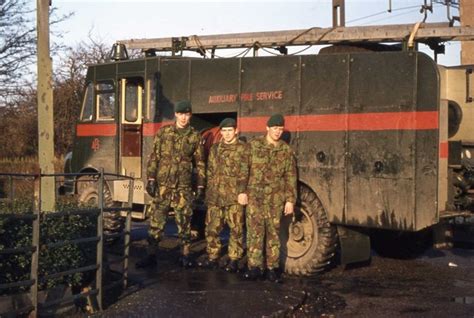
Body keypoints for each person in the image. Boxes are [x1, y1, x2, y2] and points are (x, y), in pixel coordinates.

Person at [136, 100, 206, 268]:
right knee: (156, 222)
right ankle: (151, 255)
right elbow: (155, 157)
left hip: (183, 186)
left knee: (184, 222)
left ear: (190, 116)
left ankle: (185, 255)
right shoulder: (164, 132)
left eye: (187, 114)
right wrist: (151, 179)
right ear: (176, 114)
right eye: (181, 114)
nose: (183, 117)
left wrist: (201, 185)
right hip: (163, 185)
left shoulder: (194, 136)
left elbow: (200, 163)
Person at [243, 114, 297, 282]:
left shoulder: (286, 150)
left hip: (275, 200)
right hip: (254, 198)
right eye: (274, 128)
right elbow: (244, 170)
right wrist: (241, 191)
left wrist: (290, 200)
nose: (277, 132)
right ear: (267, 128)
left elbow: (290, 176)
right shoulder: (254, 146)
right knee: (254, 233)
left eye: (280, 129)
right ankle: (254, 267)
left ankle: (272, 269)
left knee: (273, 234)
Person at [198, 118, 249, 272]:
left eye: (230, 131)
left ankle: (234, 258)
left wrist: (243, 192)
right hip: (216, 196)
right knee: (212, 228)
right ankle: (213, 256)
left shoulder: (244, 149)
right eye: (224, 131)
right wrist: (208, 193)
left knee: (236, 229)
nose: (227, 134)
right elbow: (211, 172)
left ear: (236, 131)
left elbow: (246, 172)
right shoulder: (215, 149)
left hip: (234, 197)